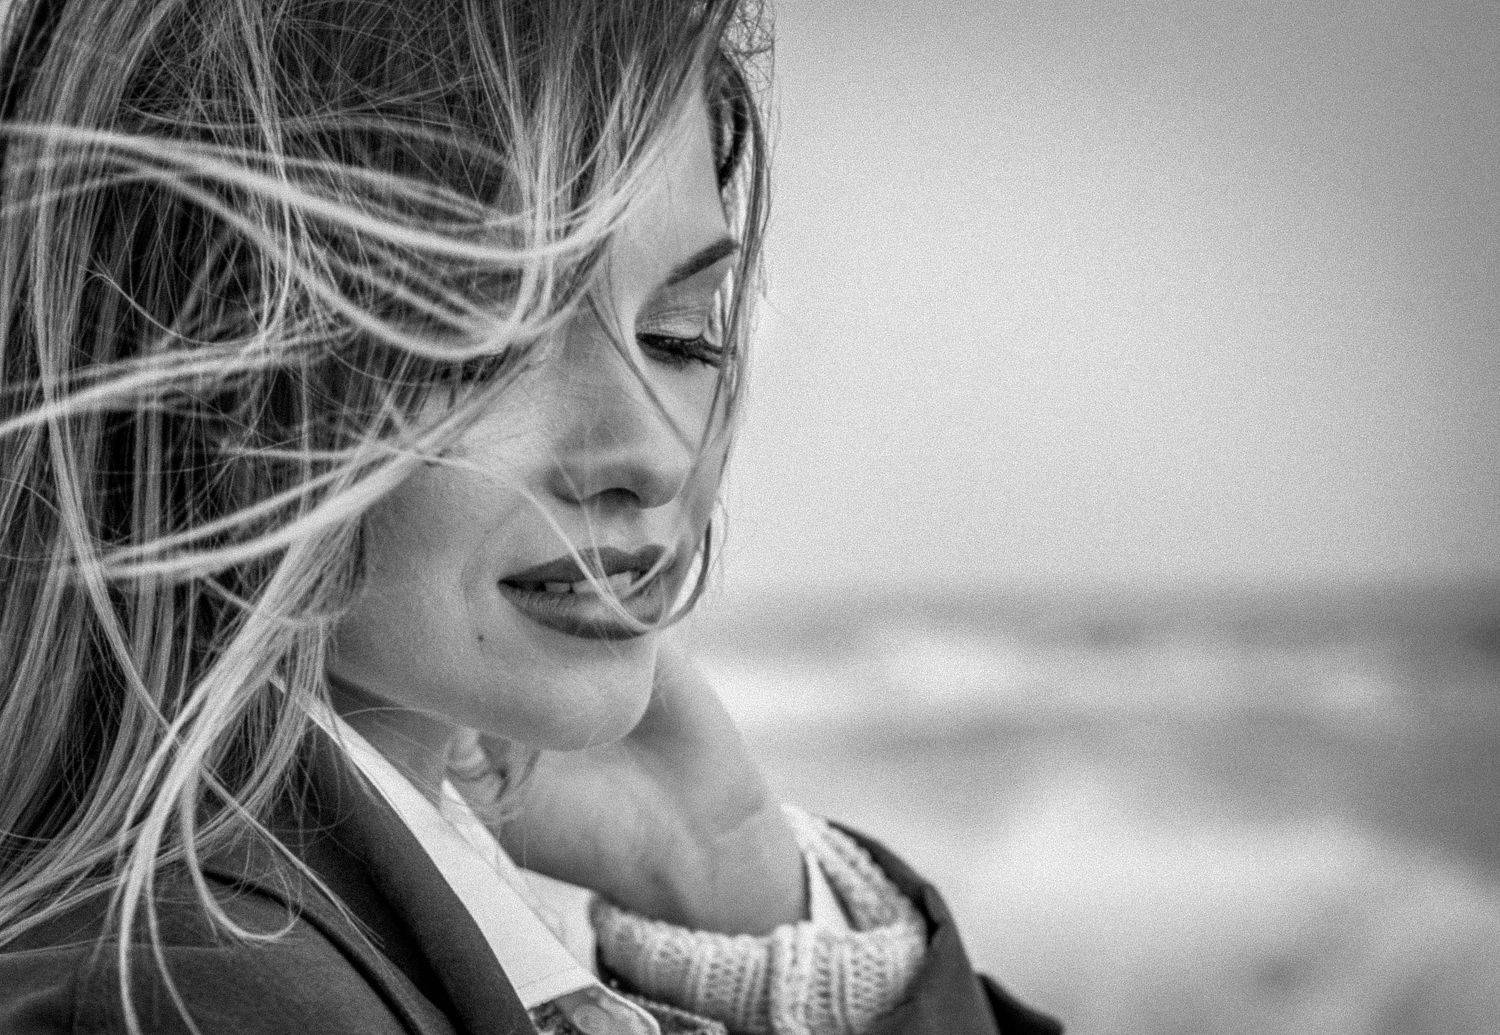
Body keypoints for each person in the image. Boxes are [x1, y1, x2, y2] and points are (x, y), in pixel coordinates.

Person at [0, 0, 1062, 1032]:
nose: (652, 454)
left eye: (682, 334)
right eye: (491, 333)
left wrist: (731, 876)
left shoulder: (272, 948)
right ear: (187, 368)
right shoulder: (183, 998)